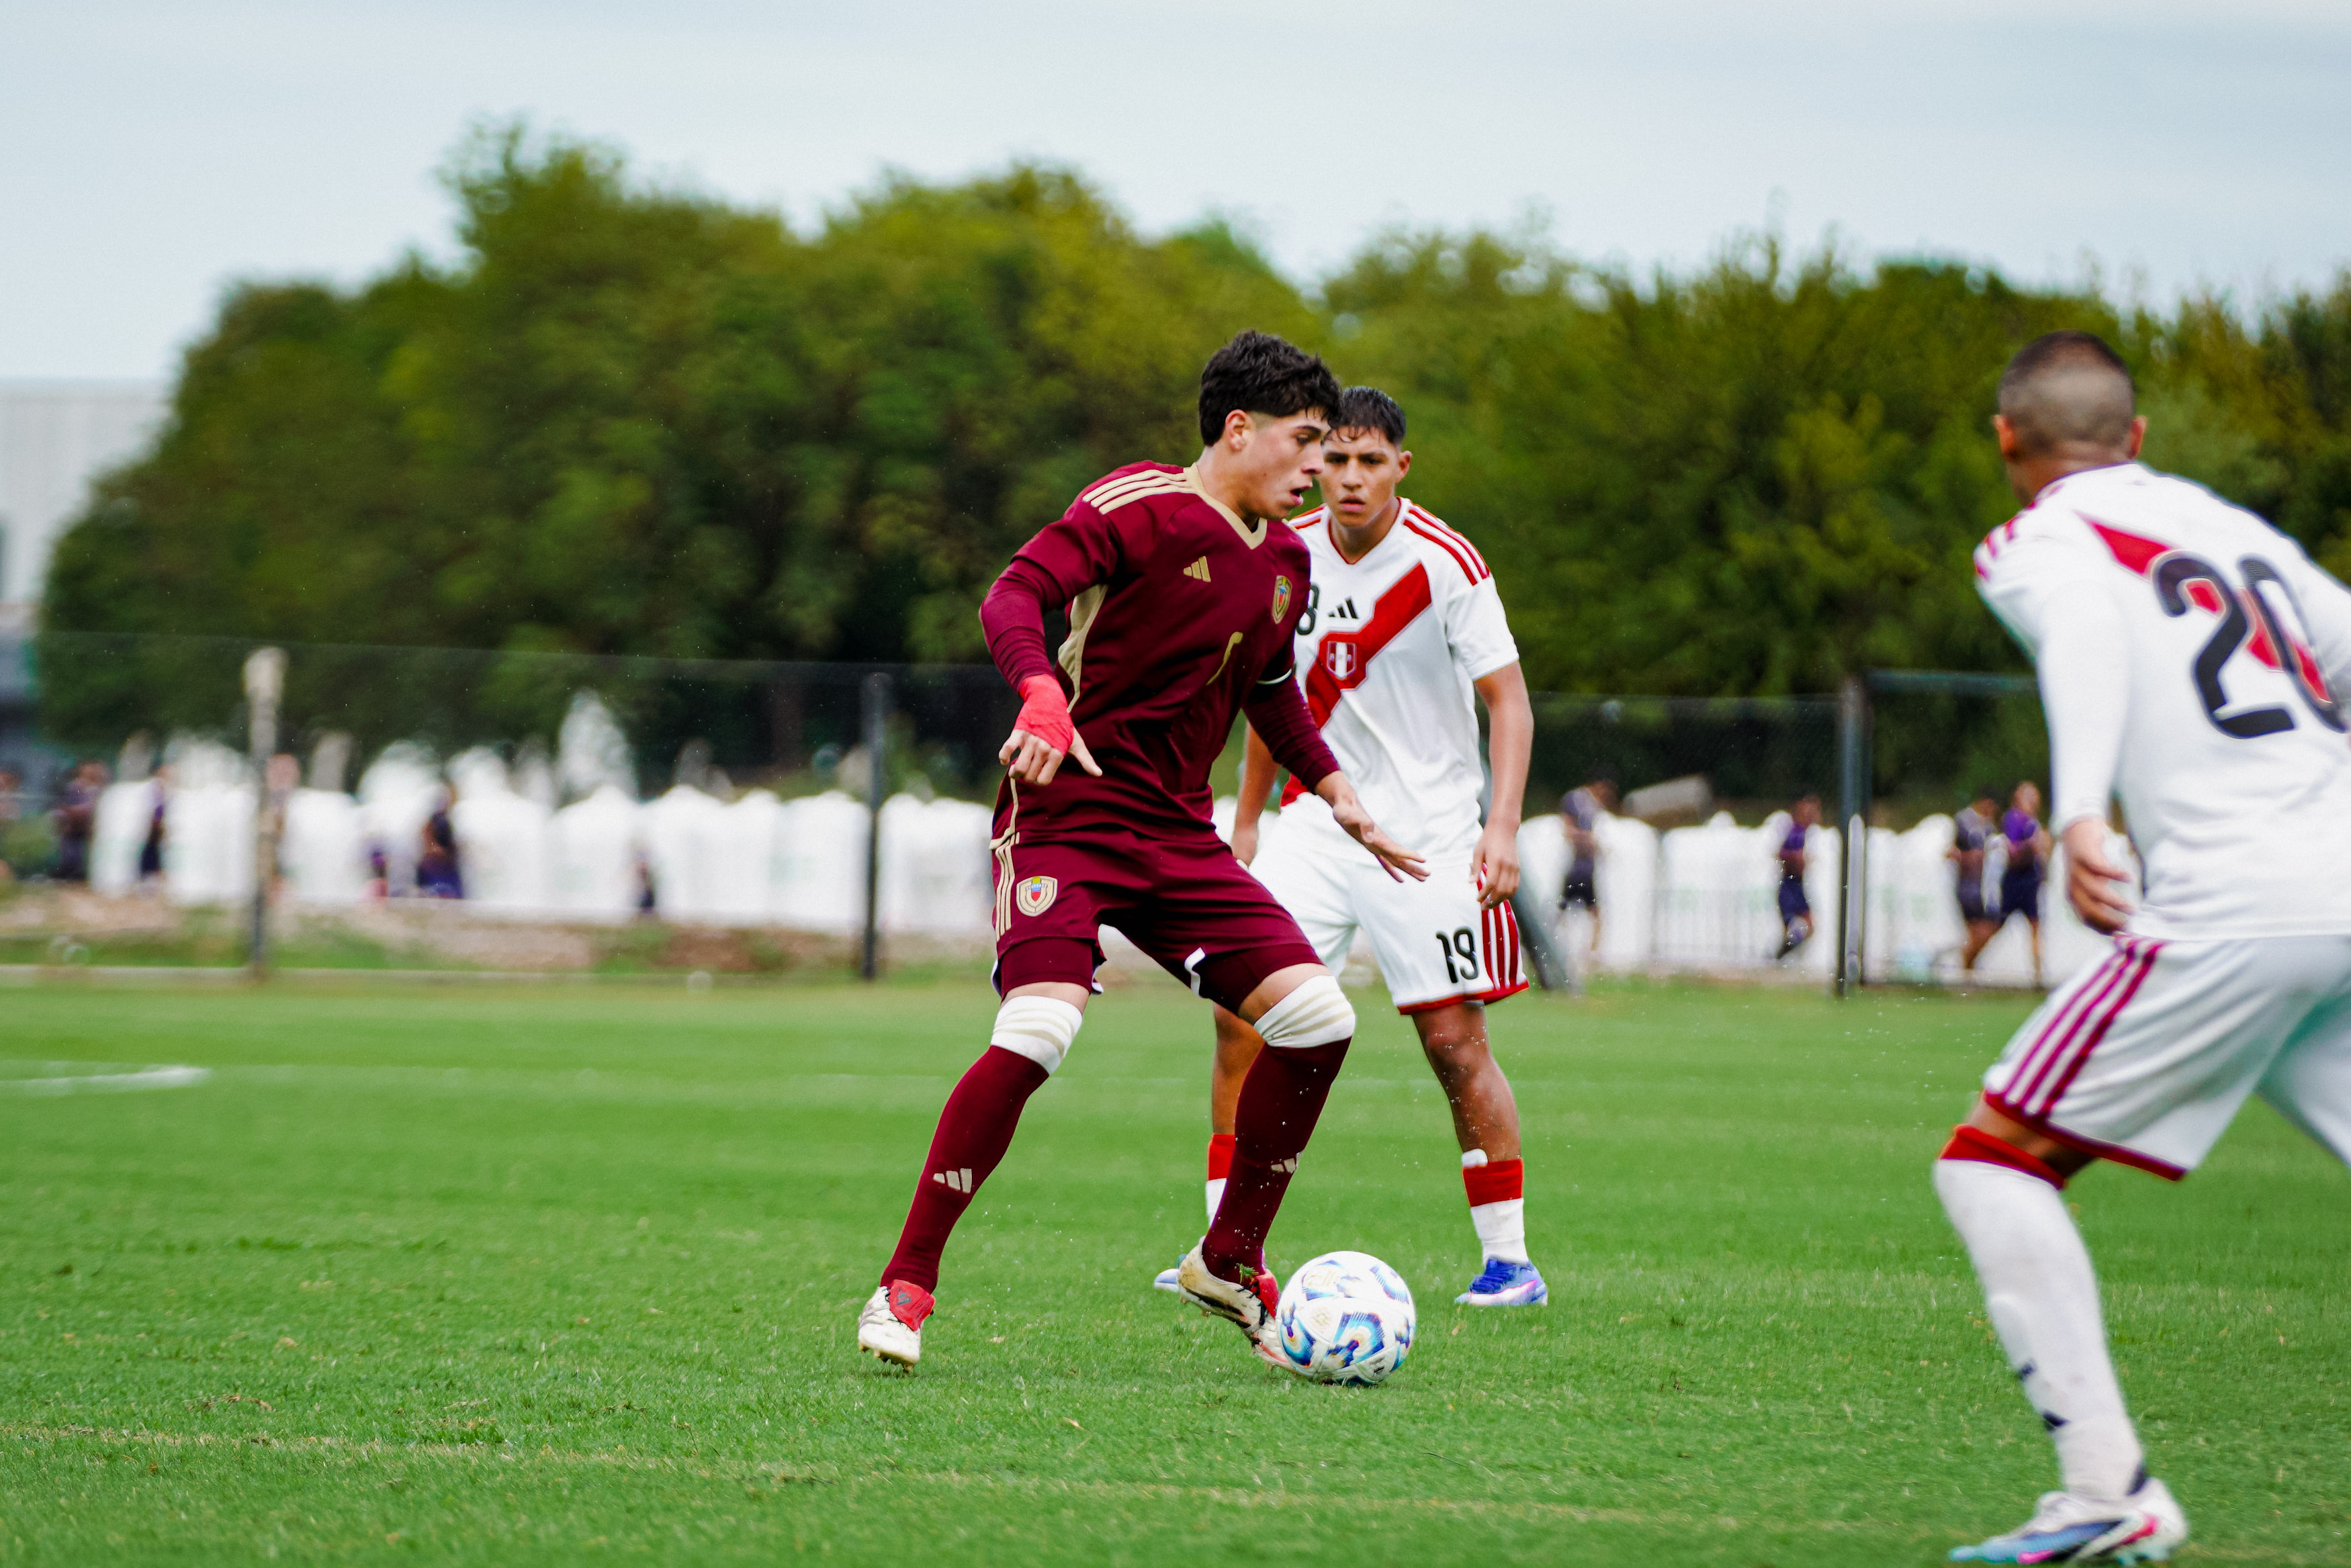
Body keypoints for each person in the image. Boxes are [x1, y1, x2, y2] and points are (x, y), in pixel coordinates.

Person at [856, 332, 1423, 1371]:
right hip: (1067, 812)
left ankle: (1227, 1254)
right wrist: (1040, 691)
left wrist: (1340, 791)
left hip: (1177, 834)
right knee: (1037, 1031)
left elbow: (1268, 694)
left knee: (1320, 1017)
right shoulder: (1137, 505)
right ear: (1238, 429)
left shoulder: (1287, 561)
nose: (1316, 468)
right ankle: (907, 1281)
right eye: (1306, 443)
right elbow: (1011, 596)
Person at [1935, 329, 2351, 1563]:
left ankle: (2108, 1488)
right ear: (2142, 438)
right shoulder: (2234, 529)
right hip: (2338, 885)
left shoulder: (2040, 537)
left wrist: (2075, 810)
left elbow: (2084, 636)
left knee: (1992, 1163)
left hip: (2235, 902)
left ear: (2009, 440)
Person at [1146, 387, 1546, 1309]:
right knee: (1243, 1018)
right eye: (1336, 459)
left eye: (1372, 461)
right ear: (1315, 464)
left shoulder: (1447, 563)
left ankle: (1510, 1261)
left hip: (1431, 834)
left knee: (1452, 1041)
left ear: (1401, 466)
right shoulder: (1285, 553)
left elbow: (1509, 702)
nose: (1351, 478)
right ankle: (1224, 1251)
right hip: (1315, 826)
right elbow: (1267, 694)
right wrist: (1246, 823)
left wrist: (1502, 826)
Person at [1994, 780, 2053, 986]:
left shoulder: (2033, 821)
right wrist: (2033, 845)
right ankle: (1969, 962)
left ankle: (2038, 974)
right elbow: (2013, 852)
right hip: (2015, 878)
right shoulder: (2014, 819)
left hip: (2030, 879)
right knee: (1996, 924)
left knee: (2036, 925)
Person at [1560, 777, 1615, 956]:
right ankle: (1556, 946)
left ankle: (1591, 953)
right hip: (1575, 867)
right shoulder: (1575, 799)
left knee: (1595, 913)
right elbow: (1567, 830)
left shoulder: (1596, 806)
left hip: (1588, 869)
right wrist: (1589, 841)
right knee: (1562, 911)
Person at [1951, 787, 2002, 972]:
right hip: (1968, 885)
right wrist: (1970, 857)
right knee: (1976, 931)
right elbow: (1953, 851)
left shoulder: (1989, 827)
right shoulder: (1963, 821)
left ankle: (1967, 967)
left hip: (1985, 886)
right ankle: (1966, 968)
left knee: (1985, 930)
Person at [1773, 794, 1820, 960]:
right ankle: (1780, 956)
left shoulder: (1805, 832)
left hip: (1798, 884)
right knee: (1795, 924)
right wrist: (1798, 858)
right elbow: (1780, 854)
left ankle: (1783, 954)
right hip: (1790, 883)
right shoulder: (1794, 832)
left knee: (1808, 926)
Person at [51, 760, 105, 884]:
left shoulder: (98, 788)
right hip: (74, 828)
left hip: (89, 829)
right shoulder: (74, 787)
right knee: (70, 858)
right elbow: (66, 808)